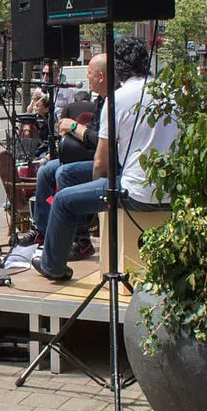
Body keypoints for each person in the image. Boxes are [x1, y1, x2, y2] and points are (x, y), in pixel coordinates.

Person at [33, 37, 179, 281]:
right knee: (65, 175)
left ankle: (53, 266)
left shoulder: (119, 99)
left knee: (62, 200)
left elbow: (101, 164)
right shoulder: (170, 93)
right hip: (171, 189)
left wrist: (97, 198)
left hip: (135, 191)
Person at [18, 54, 108, 259]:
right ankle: (42, 230)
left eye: (90, 74)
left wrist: (75, 127)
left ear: (101, 77)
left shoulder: (113, 100)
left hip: (103, 161)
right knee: (46, 170)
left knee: (65, 173)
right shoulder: (100, 100)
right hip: (88, 154)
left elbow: (101, 141)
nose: (87, 77)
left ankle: (82, 238)